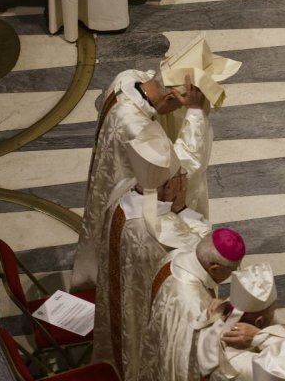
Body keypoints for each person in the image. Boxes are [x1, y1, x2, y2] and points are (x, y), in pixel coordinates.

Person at [70, 36, 241, 288]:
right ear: (172, 99)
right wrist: (194, 113)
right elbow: (180, 167)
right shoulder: (137, 127)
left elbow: (158, 80)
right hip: (134, 204)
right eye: (178, 106)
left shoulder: (129, 79)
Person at [93, 123, 210, 380]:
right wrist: (180, 209)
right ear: (168, 187)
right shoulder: (162, 231)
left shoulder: (123, 189)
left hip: (120, 297)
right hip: (141, 314)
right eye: (180, 176)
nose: (184, 181)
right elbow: (204, 254)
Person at [139, 228, 246, 381]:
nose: (232, 275)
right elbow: (194, 358)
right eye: (232, 270)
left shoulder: (174, 256)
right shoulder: (195, 305)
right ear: (214, 268)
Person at [197, 264, 285, 381]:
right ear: (259, 321)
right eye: (273, 312)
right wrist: (261, 337)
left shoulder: (211, 321)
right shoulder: (251, 365)